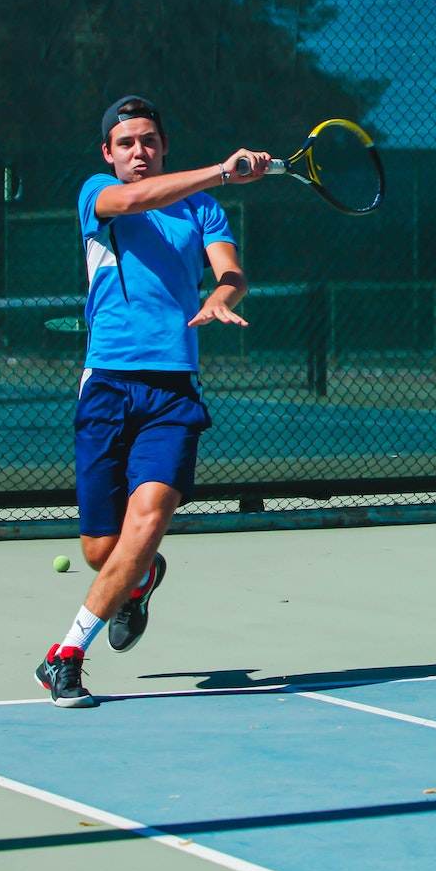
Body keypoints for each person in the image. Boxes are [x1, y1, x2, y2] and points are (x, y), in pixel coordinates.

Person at [36, 95, 270, 708]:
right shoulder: (97, 195)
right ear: (108, 154)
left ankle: (65, 655)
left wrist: (225, 294)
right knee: (99, 551)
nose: (139, 152)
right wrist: (224, 168)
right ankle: (138, 581)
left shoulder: (204, 209)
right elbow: (138, 200)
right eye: (127, 143)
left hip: (172, 389)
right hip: (107, 384)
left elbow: (231, 271)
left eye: (149, 141)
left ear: (164, 146)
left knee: (150, 518)